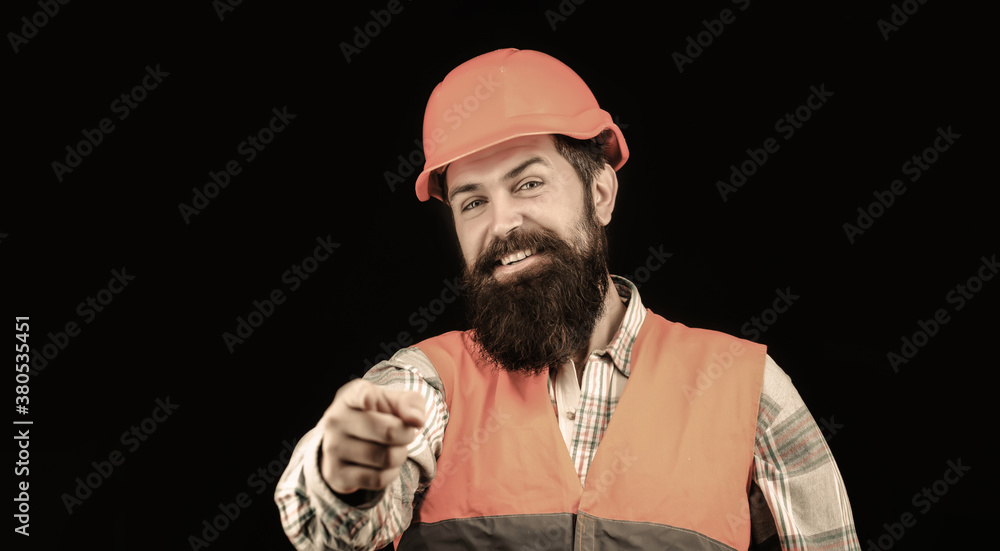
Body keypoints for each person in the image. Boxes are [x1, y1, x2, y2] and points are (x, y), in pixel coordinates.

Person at [275, 48, 861, 551]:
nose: (502, 224)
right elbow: (328, 527)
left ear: (600, 193)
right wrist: (341, 475)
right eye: (473, 202)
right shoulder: (427, 384)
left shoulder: (747, 389)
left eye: (528, 184)